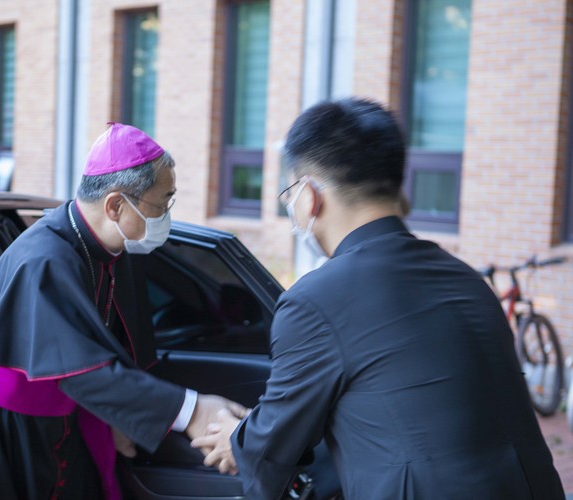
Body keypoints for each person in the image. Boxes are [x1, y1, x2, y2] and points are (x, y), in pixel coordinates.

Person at [191, 98, 565, 500]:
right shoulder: (466, 278)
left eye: (289, 196)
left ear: (309, 196)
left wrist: (236, 440)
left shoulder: (315, 301)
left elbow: (274, 444)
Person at [0, 123, 247, 500]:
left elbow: (113, 346)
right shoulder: (42, 261)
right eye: (161, 203)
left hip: (63, 416)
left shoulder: (116, 245)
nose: (165, 215)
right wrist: (192, 411)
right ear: (115, 205)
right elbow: (82, 370)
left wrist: (122, 414)